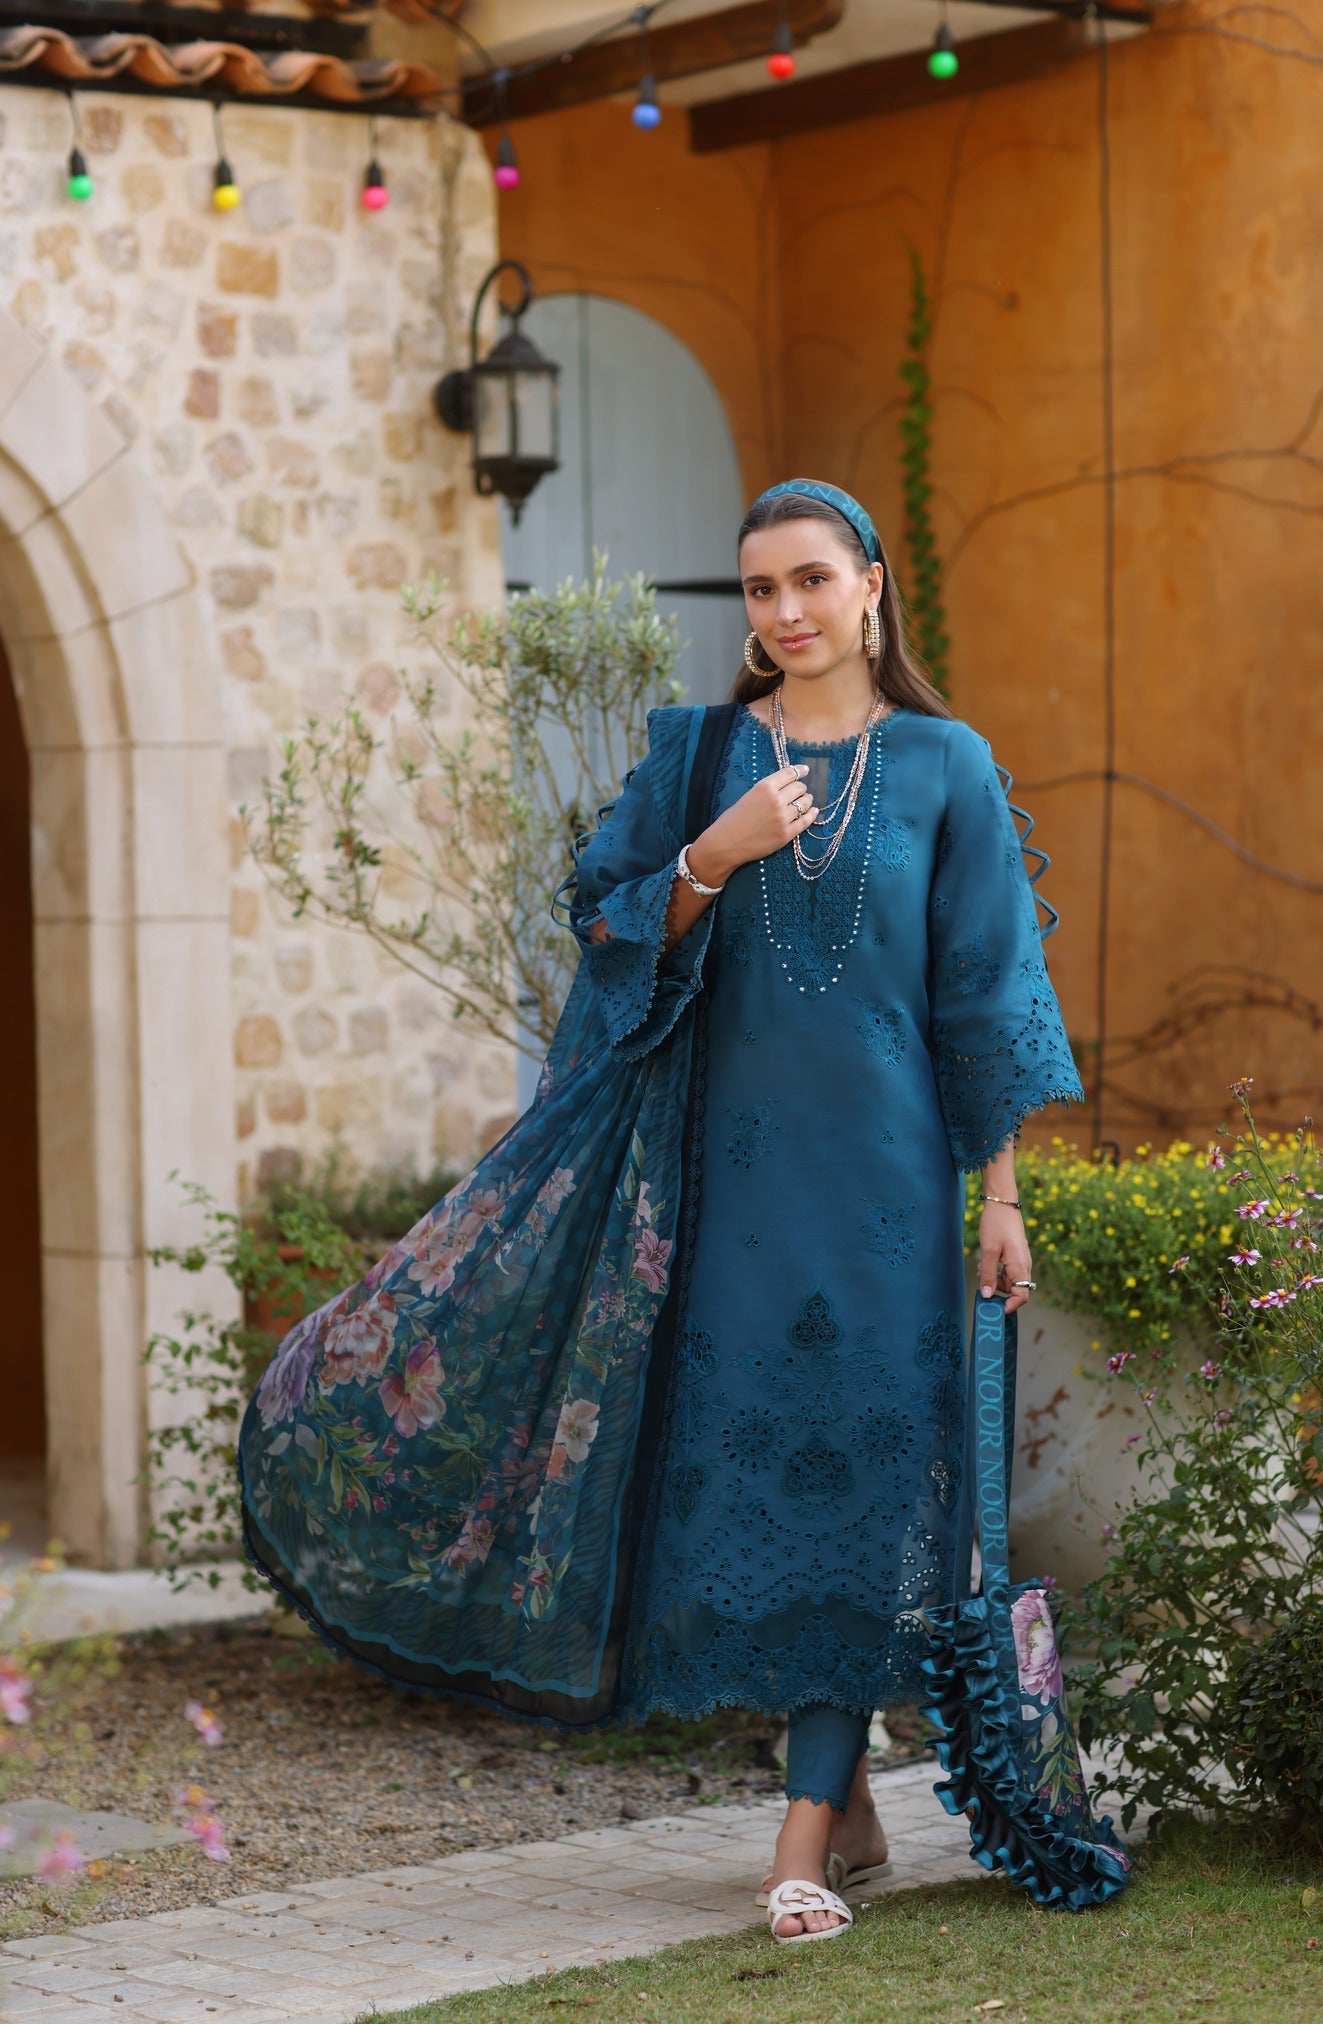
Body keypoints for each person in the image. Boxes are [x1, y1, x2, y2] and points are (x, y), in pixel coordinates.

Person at [239, 478, 1084, 1948]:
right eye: (760, 589)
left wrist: (999, 1194)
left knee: (871, 1490)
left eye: (811, 580)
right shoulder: (701, 755)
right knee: (749, 1496)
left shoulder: (945, 765)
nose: (786, 611)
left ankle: (802, 1836)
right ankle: (844, 1800)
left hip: (890, 1201)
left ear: (871, 588)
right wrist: (717, 850)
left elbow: (984, 991)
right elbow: (603, 922)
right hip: (722, 1197)